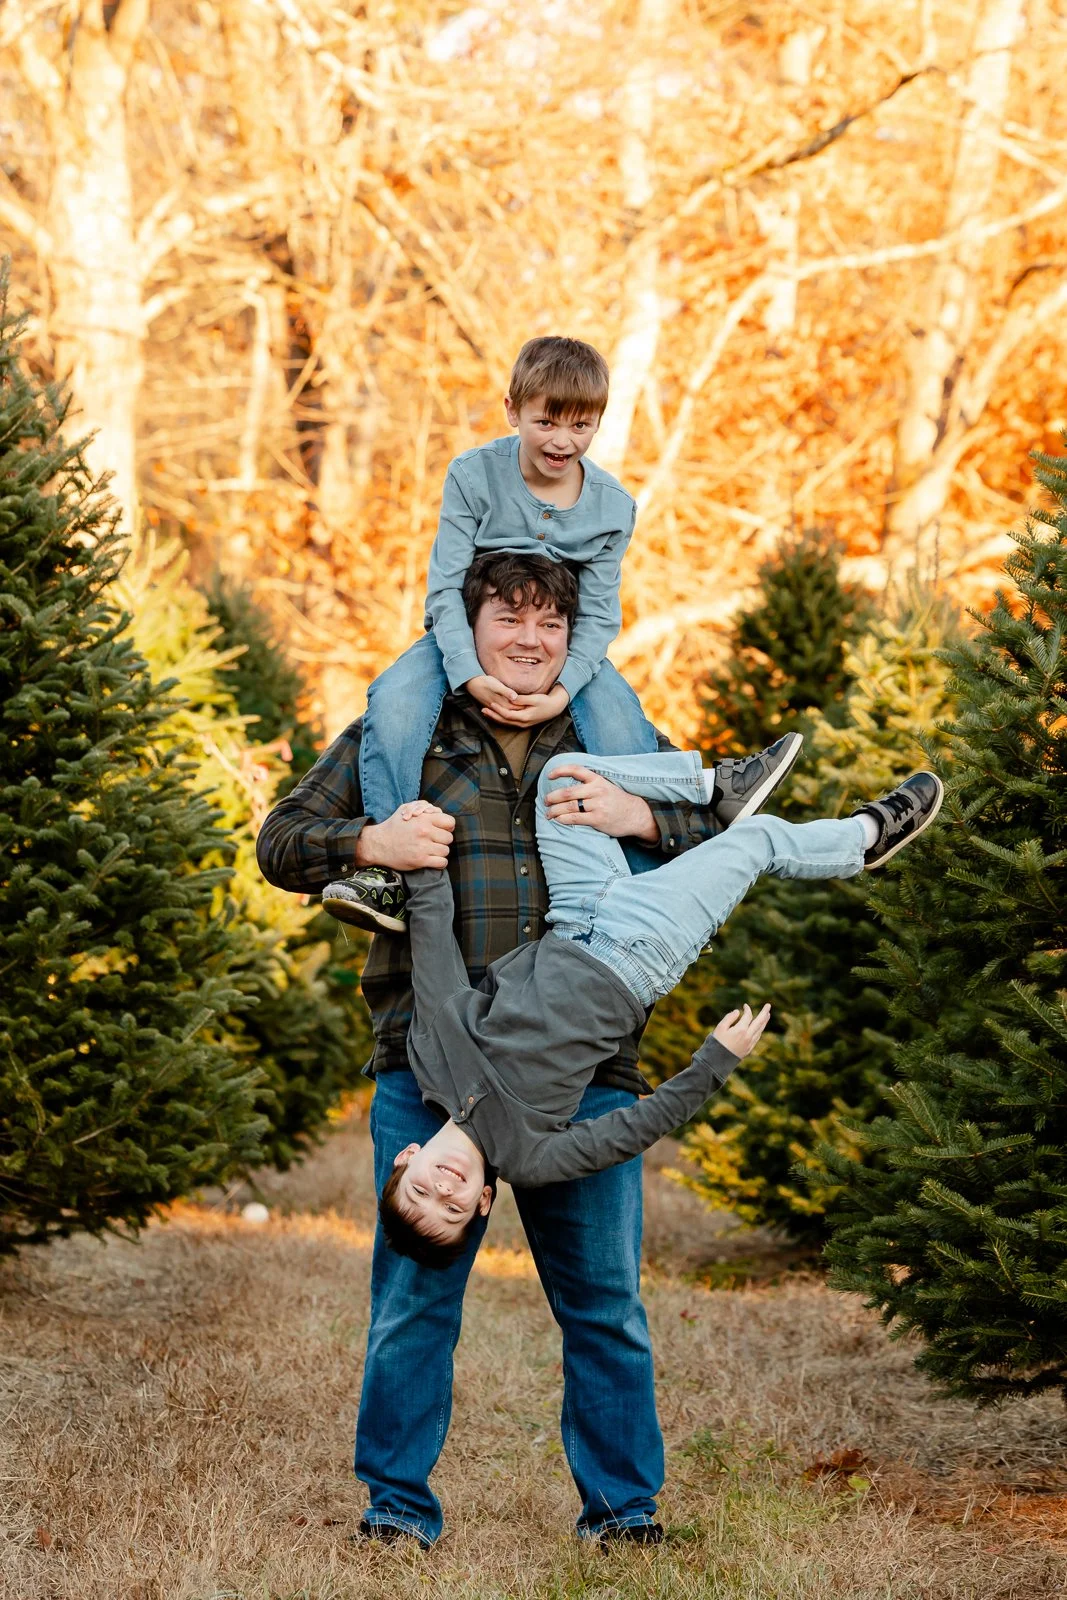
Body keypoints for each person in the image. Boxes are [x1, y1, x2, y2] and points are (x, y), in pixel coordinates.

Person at [256, 550, 795, 1549]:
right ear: (470, 630)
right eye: (508, 618)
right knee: (412, 1302)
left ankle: (621, 1513)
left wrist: (637, 815)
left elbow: (715, 830)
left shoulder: (603, 733)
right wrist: (370, 843)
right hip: (428, 1067)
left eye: (549, 623)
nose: (529, 640)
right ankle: (396, 1510)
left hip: (586, 1068)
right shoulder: (405, 733)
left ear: (570, 638)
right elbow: (280, 839)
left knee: (603, 1304)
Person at [378, 751, 943, 1259]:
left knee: (562, 778)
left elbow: (434, 951)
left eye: (421, 1190)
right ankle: (865, 838)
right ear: (482, 1202)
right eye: (452, 1209)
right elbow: (638, 1127)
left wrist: (419, 853)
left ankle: (716, 785)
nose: (444, 1188)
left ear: (407, 1158)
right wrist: (714, 1062)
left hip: (573, 915)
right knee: (758, 840)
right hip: (639, 950)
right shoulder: (530, 1158)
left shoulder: (432, 1062)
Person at [342, 336, 801, 934]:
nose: (562, 441)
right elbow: (445, 589)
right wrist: (468, 675)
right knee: (396, 698)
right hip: (470, 638)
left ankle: (659, 867)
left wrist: (564, 691)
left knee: (618, 717)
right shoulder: (474, 475)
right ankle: (388, 874)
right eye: (546, 422)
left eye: (580, 426)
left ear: (598, 422)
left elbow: (601, 616)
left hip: (563, 647)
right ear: (513, 411)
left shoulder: (612, 507)